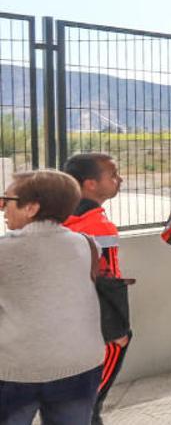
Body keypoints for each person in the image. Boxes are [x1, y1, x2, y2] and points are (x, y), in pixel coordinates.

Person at [0, 170, 104, 425]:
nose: (2, 207)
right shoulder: (88, 244)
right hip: (81, 365)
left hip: (16, 370)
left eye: (7, 200)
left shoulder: (5, 251)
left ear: (32, 208)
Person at [61, 153, 128, 425]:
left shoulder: (59, 216)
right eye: (112, 175)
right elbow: (108, 283)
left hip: (61, 328)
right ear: (90, 184)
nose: (119, 179)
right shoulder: (97, 225)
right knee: (89, 404)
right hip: (99, 331)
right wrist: (118, 333)